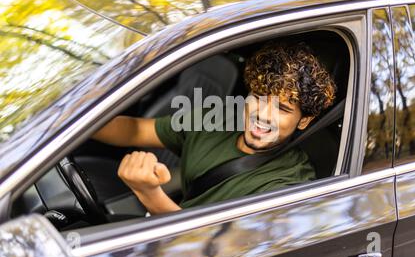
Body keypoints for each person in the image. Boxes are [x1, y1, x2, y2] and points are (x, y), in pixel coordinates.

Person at [92, 39, 337, 215]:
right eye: (258, 97)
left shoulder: (287, 186)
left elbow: (208, 253)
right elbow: (135, 130)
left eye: (282, 109)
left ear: (304, 120)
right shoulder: (216, 118)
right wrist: (74, 121)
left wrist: (148, 193)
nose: (262, 115)